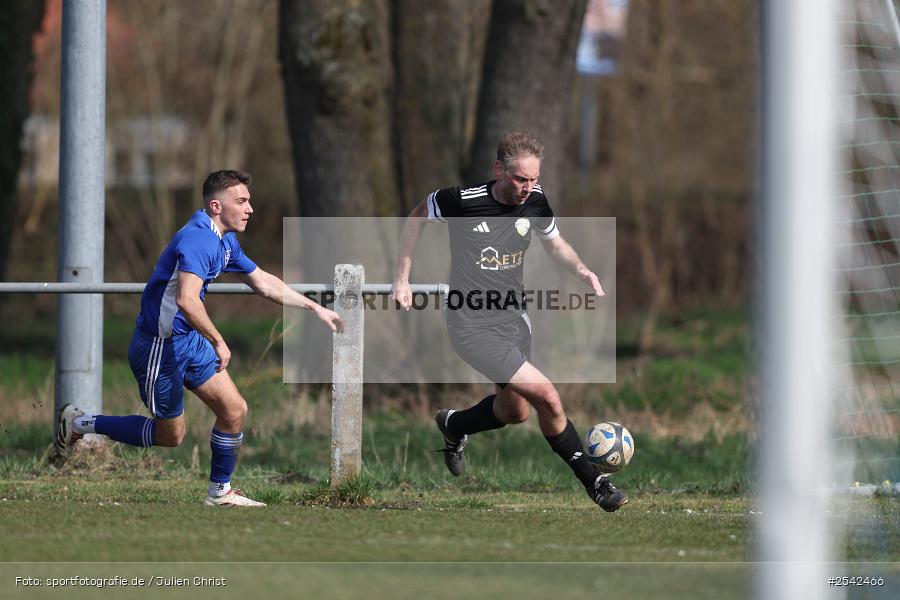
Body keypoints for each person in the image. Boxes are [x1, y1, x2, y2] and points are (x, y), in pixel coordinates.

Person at [54, 170, 344, 507]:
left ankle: (220, 492)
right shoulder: (199, 240)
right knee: (171, 436)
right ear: (217, 206)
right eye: (241, 201)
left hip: (188, 341)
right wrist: (218, 340)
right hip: (159, 348)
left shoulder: (224, 240)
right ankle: (80, 423)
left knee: (234, 410)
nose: (250, 208)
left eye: (249, 201)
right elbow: (186, 300)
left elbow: (263, 281)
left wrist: (314, 308)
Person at [391, 132, 627, 511]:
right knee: (548, 397)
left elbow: (555, 243)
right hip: (471, 325)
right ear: (499, 170)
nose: (527, 188)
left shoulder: (535, 201)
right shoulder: (463, 201)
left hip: (514, 319)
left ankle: (455, 425)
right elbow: (416, 218)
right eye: (520, 179)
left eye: (533, 179)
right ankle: (596, 484)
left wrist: (581, 269)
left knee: (514, 412)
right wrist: (401, 279)